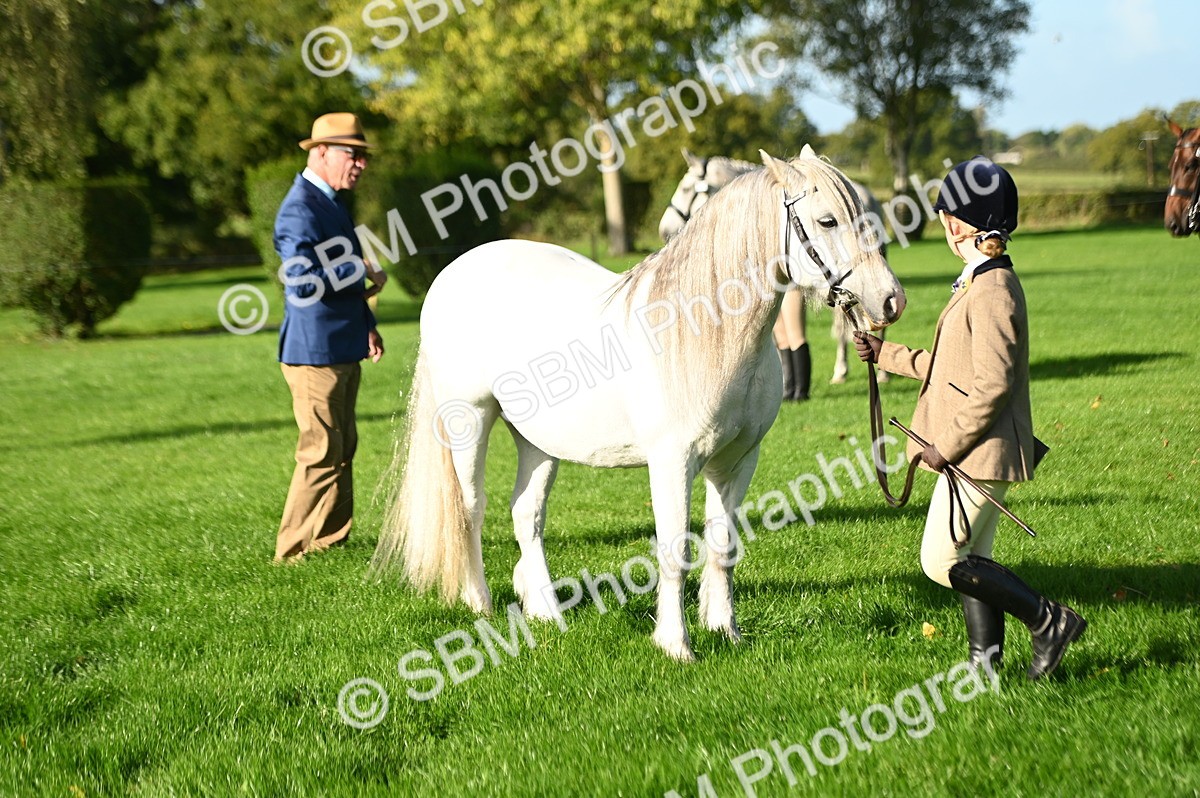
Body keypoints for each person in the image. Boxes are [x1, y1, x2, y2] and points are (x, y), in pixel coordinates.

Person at [854, 157, 1086, 680]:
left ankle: (1049, 620)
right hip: (975, 452)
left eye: (943, 216)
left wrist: (947, 446)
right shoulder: (978, 281)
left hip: (979, 452)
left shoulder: (993, 289)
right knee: (970, 560)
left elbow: (993, 385)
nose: (941, 224)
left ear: (960, 223)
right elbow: (949, 368)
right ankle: (986, 665)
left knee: (942, 563)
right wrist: (883, 354)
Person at [274, 112, 387, 561]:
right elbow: (301, 282)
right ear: (320, 152)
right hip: (313, 354)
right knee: (320, 452)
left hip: (342, 345)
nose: (359, 163)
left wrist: (367, 326)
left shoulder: (333, 201)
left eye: (362, 156)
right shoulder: (299, 208)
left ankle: (329, 541)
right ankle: (290, 552)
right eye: (351, 154)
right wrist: (357, 267)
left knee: (343, 450)